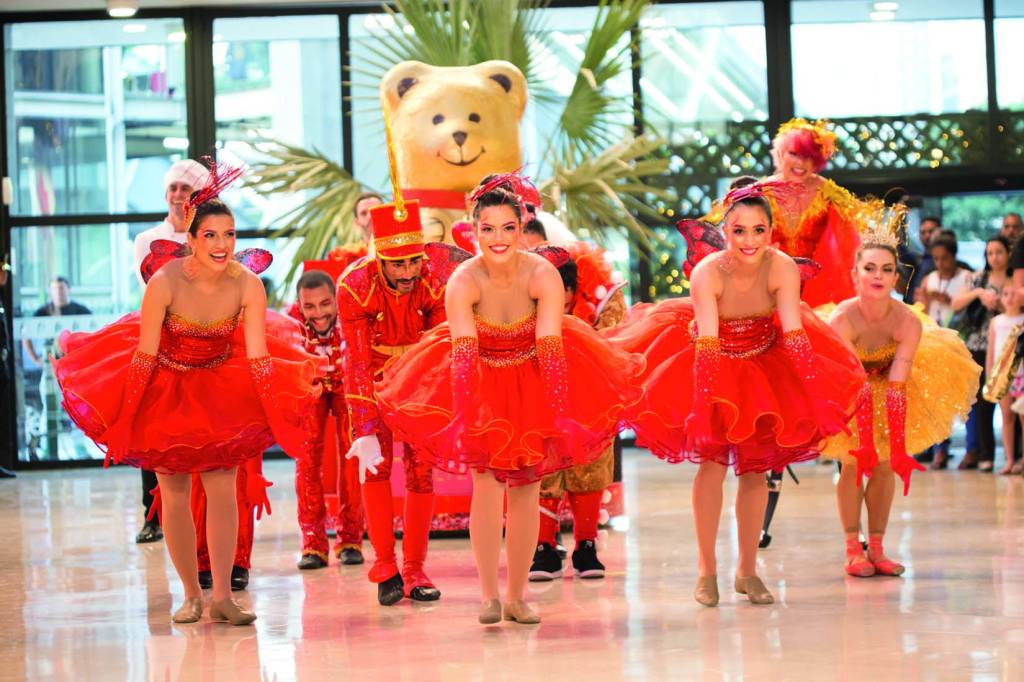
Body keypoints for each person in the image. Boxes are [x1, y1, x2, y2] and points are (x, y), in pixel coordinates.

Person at [53, 167, 321, 625]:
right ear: (191, 239)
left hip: (220, 382)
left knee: (223, 487)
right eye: (211, 235)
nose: (222, 244)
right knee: (173, 490)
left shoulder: (247, 283)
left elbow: (258, 358)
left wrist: (277, 414)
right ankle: (191, 595)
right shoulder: (166, 281)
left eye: (230, 234)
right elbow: (144, 356)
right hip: (165, 382)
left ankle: (223, 596)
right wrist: (127, 419)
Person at [376, 180, 642, 625]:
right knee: (486, 485)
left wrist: (557, 411)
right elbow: (463, 351)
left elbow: (550, 343)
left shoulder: (542, 275)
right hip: (480, 378)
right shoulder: (464, 279)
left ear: (522, 229)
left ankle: (517, 596)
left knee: (525, 488)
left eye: (507, 228)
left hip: (534, 373)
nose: (497, 238)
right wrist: (467, 415)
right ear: (473, 231)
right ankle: (489, 596)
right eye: (488, 229)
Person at [606, 182, 865, 607]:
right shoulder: (708, 272)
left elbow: (794, 333)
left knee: (755, 471)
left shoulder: (781, 267)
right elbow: (708, 342)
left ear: (770, 232)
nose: (749, 240)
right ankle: (706, 570)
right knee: (711, 467)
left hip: (764, 360)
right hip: (711, 361)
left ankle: (747, 571)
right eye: (739, 230)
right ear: (724, 231)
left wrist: (818, 391)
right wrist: (700, 404)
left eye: (758, 230)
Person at [822, 235, 979, 577]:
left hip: (889, 384)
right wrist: (864, 442)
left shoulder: (907, 321)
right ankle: (853, 549)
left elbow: (896, 385)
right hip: (848, 389)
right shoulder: (842, 318)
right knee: (853, 462)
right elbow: (854, 383)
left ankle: (877, 549)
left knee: (884, 465)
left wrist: (896, 448)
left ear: (897, 277)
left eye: (886, 269)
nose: (878, 276)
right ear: (855, 274)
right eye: (869, 268)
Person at [337, 197, 449, 607]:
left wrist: (435, 406)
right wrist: (365, 426)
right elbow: (357, 361)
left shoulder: (436, 282)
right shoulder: (353, 286)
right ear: (379, 258)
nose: (408, 272)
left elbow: (440, 349)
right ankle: (385, 566)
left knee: (421, 473)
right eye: (397, 264)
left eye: (414, 261)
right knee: (376, 467)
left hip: (420, 379)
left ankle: (416, 569)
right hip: (372, 381)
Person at [529, 242, 627, 581]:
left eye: (560, 292)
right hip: (538, 396)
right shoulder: (523, 304)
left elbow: (614, 346)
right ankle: (543, 546)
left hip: (591, 398)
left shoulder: (603, 302)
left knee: (590, 464)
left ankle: (586, 545)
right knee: (541, 466)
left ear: (572, 290)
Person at [131, 159, 210, 544]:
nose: (179, 195)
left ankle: (202, 517)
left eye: (186, 188)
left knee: (203, 430)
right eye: (174, 188)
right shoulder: (147, 239)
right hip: (162, 339)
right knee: (155, 431)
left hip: (206, 339)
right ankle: (153, 515)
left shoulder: (209, 235)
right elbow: (151, 289)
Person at [729, 118, 868, 307]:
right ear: (780, 153)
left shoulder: (831, 195)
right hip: (766, 288)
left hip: (818, 294)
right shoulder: (759, 192)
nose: (800, 163)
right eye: (794, 154)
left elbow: (849, 249)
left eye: (808, 156)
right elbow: (736, 241)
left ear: (817, 160)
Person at [294, 269, 365, 568]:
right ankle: (312, 544)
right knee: (306, 459)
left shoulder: (351, 315)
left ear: (335, 300)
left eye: (325, 303)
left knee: (353, 456)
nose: (319, 313)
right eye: (309, 306)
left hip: (347, 386)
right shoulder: (290, 325)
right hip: (309, 388)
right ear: (299, 306)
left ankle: (350, 540)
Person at [952, 236, 1011, 471]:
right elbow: (956, 303)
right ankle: (985, 455)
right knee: (982, 402)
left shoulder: (1014, 278)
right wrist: (978, 293)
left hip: (1007, 346)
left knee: (1010, 401)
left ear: (1008, 253)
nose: (994, 257)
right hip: (978, 345)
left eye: (999, 252)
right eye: (990, 253)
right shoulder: (978, 278)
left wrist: (1000, 305)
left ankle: (1014, 455)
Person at [916, 233, 974, 469]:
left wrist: (948, 299)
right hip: (934, 343)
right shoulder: (929, 279)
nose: (940, 263)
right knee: (936, 398)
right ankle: (939, 449)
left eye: (945, 258)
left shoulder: (966, 277)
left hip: (960, 341)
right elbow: (920, 311)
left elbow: (969, 309)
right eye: (936, 259)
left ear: (954, 257)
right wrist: (927, 300)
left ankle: (972, 449)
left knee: (965, 396)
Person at [988, 285, 1024, 475]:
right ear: (1000, 298)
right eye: (1005, 294)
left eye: (1014, 294)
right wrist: (990, 376)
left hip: (1021, 375)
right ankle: (1009, 459)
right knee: (1007, 417)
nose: (1009, 298)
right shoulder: (996, 322)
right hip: (1002, 376)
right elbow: (991, 350)